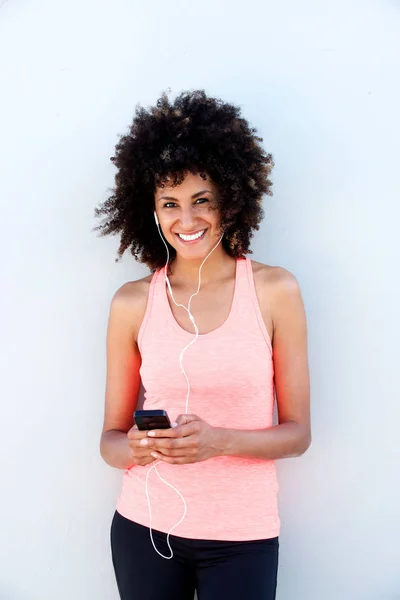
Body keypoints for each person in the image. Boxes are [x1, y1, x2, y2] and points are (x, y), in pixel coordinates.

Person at [95, 89, 311, 600]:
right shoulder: (131, 302)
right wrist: (138, 447)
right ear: (149, 209)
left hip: (241, 537)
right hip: (144, 529)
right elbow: (109, 440)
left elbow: (298, 434)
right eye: (170, 204)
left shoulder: (275, 291)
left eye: (202, 201)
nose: (186, 221)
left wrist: (221, 441)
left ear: (230, 201)